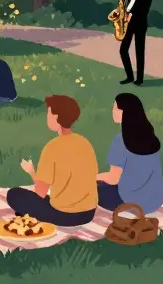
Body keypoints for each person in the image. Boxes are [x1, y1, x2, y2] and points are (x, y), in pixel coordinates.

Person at [6, 95, 98, 226]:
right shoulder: (85, 142)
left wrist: (31, 172)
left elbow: (41, 193)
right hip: (89, 213)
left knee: (14, 194)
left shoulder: (52, 147)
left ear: (56, 117)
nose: (47, 117)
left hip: (64, 215)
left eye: (48, 113)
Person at [97, 93, 163, 213]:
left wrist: (93, 178)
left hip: (130, 202)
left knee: (94, 188)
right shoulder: (150, 136)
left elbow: (113, 179)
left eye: (115, 108)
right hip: (154, 201)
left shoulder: (120, 140)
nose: (112, 111)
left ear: (123, 112)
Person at [120, 0, 153, 85]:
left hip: (139, 23)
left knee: (139, 52)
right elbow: (127, 4)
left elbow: (144, 10)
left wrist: (131, 15)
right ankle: (129, 76)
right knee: (123, 50)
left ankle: (139, 79)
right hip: (129, 23)